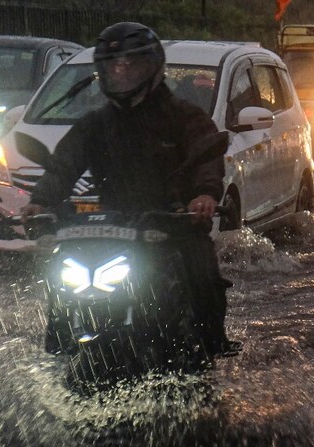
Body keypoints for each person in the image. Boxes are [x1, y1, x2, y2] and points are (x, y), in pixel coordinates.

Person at [20, 22, 234, 355]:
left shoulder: (184, 117)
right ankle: (61, 342)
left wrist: (204, 196)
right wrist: (41, 202)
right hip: (114, 226)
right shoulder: (94, 124)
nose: (122, 73)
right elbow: (63, 165)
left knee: (202, 272)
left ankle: (210, 346)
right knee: (62, 271)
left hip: (174, 224)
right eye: (113, 66)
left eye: (131, 65)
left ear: (153, 67)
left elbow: (207, 156)